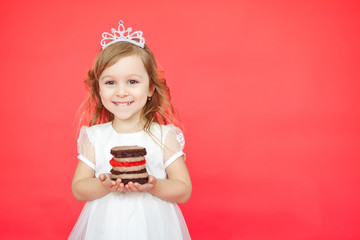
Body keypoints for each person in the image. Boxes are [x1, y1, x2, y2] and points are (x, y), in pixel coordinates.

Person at [68, 20, 192, 240]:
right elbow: (79, 188)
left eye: (132, 81)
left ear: (151, 88)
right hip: (107, 227)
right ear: (98, 89)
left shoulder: (164, 136)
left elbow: (183, 190)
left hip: (154, 226)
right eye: (110, 83)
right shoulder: (95, 136)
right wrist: (104, 184)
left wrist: (152, 186)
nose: (121, 92)